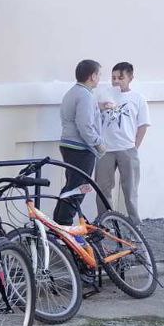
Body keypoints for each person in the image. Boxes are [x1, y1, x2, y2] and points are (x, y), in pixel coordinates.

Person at [95, 62, 150, 224]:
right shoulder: (105, 94)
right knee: (102, 188)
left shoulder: (138, 98)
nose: (116, 81)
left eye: (120, 78)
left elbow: (143, 125)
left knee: (130, 189)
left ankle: (134, 225)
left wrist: (134, 147)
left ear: (130, 78)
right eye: (113, 78)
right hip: (105, 149)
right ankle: (106, 223)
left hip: (127, 148)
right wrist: (101, 106)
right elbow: (93, 114)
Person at [56, 59, 106, 226]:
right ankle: (64, 226)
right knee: (78, 189)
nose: (100, 78)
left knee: (71, 187)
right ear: (92, 76)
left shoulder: (73, 92)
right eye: (99, 75)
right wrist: (98, 143)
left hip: (69, 145)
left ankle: (58, 226)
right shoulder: (85, 95)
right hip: (81, 148)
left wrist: (98, 107)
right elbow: (85, 125)